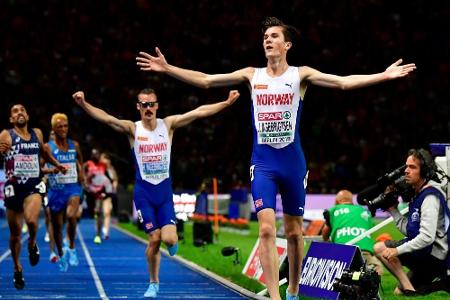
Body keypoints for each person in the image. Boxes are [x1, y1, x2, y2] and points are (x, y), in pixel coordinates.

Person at [136, 17, 416, 300]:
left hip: (293, 164)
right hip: (264, 164)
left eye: (273, 36)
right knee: (267, 229)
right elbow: (207, 80)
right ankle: (275, 296)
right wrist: (167, 68)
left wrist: (383, 75)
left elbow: (343, 82)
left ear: (287, 45)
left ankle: (293, 290)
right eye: (265, 37)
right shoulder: (251, 75)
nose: (267, 40)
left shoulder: (300, 75)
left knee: (294, 234)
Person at [72, 88, 239, 298]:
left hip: (164, 194)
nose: (148, 108)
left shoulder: (168, 125)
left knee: (169, 239)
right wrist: (83, 104)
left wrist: (225, 103)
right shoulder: (133, 129)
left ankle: (172, 242)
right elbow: (107, 118)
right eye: (144, 104)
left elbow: (198, 112)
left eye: (152, 104)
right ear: (138, 107)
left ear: (157, 105)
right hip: (144, 194)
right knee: (154, 239)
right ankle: (154, 283)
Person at [0, 104, 66, 289]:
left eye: (22, 110)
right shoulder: (6, 135)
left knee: (31, 221)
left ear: (27, 116)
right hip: (13, 186)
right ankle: (17, 268)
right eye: (15, 111)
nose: (19, 112)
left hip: (33, 184)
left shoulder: (37, 133)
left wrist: (57, 164)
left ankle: (31, 243)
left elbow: (44, 152)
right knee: (14, 234)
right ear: (11, 119)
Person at [374, 149, 450, 296]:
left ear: (424, 171)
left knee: (379, 247)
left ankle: (411, 290)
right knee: (397, 292)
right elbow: (412, 231)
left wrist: (397, 250)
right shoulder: (419, 194)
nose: (406, 171)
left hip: (433, 255)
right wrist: (393, 211)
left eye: (412, 167)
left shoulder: (430, 197)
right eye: (406, 167)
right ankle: (420, 289)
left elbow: (426, 238)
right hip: (428, 254)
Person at [45, 113, 84, 271]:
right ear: (54, 128)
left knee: (71, 215)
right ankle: (61, 253)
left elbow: (80, 159)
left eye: (65, 126)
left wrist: (81, 173)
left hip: (72, 187)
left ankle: (72, 247)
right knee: (57, 227)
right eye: (59, 126)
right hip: (55, 191)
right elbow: (39, 168)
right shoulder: (47, 147)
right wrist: (52, 170)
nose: (63, 129)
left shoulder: (74, 144)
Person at [322, 189, 383, 275]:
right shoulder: (364, 211)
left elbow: (325, 235)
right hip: (364, 251)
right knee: (376, 271)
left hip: (342, 251)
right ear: (351, 201)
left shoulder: (333, 210)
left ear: (336, 201)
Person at [84, 148, 111, 244]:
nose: (95, 156)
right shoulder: (88, 164)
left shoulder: (103, 164)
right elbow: (82, 174)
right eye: (93, 154)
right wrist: (86, 180)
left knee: (99, 211)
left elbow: (108, 175)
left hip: (100, 192)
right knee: (93, 212)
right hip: (90, 192)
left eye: (97, 154)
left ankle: (98, 234)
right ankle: (95, 214)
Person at [99, 152, 118, 239]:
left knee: (107, 212)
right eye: (104, 158)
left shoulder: (112, 170)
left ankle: (106, 231)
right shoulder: (97, 169)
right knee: (100, 213)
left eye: (107, 158)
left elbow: (115, 180)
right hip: (99, 193)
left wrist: (114, 186)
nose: (106, 160)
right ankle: (99, 229)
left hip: (108, 194)